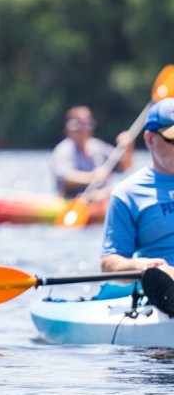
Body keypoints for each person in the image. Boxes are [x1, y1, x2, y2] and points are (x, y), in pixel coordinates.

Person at [101, 98, 174, 315]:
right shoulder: (127, 194)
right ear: (150, 139)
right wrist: (142, 266)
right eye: (173, 139)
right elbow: (109, 264)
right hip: (165, 288)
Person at [50, 105, 134, 199]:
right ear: (68, 128)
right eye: (79, 124)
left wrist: (128, 147)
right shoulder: (64, 149)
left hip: (99, 198)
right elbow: (64, 177)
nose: (83, 128)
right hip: (74, 200)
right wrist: (92, 176)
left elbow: (124, 166)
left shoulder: (98, 147)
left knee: (120, 189)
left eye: (87, 123)